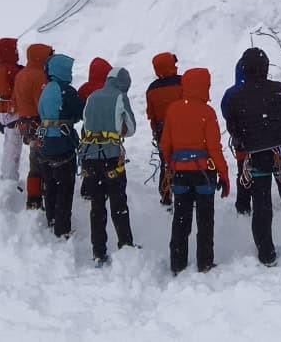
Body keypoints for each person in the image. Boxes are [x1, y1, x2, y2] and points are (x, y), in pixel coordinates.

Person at [223, 47, 281, 266]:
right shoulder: (278, 90)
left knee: (261, 205)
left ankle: (266, 254)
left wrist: (247, 139)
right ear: (266, 68)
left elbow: (233, 130)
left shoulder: (236, 97)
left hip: (256, 155)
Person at [159, 67, 230, 274]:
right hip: (204, 174)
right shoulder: (207, 112)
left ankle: (177, 262)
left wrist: (171, 165)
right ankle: (205, 262)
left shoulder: (173, 109)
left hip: (181, 172)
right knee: (205, 219)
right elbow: (214, 148)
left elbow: (166, 145)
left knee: (181, 218)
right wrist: (224, 175)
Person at [79, 65, 138, 263]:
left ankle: (98, 252)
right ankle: (125, 245)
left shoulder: (92, 96)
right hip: (111, 156)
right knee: (118, 203)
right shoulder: (120, 97)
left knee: (97, 206)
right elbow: (130, 128)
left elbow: (85, 125)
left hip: (89, 156)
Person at [38, 53, 85, 238]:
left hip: (45, 144)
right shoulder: (67, 91)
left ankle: (51, 218)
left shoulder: (46, 89)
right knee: (65, 187)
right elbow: (81, 111)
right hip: (62, 144)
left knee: (50, 184)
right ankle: (63, 227)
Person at [12, 43, 55, 210]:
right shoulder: (39, 76)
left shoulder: (21, 74)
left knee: (34, 161)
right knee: (41, 161)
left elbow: (15, 100)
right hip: (37, 122)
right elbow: (42, 104)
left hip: (24, 122)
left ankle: (33, 197)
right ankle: (39, 197)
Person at [146, 52, 184, 207]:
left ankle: (166, 194)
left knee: (166, 162)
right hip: (183, 128)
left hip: (163, 131)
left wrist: (156, 131)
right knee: (185, 161)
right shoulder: (183, 82)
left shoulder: (152, 89)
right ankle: (184, 192)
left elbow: (151, 114)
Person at [219, 57, 252, 215]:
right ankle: (259, 200)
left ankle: (243, 204)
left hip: (241, 141)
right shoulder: (260, 88)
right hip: (261, 140)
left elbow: (226, 112)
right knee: (261, 172)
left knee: (243, 172)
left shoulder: (231, 93)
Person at [0, 38, 24, 182]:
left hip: (4, 109)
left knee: (9, 143)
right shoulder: (11, 69)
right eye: (14, 49)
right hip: (13, 110)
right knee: (14, 146)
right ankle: (11, 178)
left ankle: (6, 175)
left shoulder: (1, 67)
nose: (17, 52)